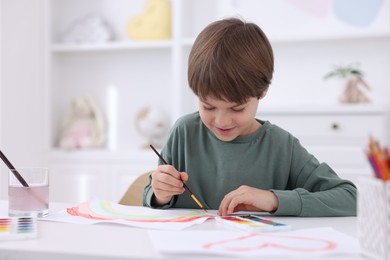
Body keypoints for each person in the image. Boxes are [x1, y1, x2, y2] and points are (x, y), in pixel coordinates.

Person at [143, 17, 357, 217]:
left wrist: (274, 200)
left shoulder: (282, 146)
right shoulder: (184, 133)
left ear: (262, 92)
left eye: (236, 109)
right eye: (208, 106)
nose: (221, 121)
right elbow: (150, 198)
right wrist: (160, 195)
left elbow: (351, 198)